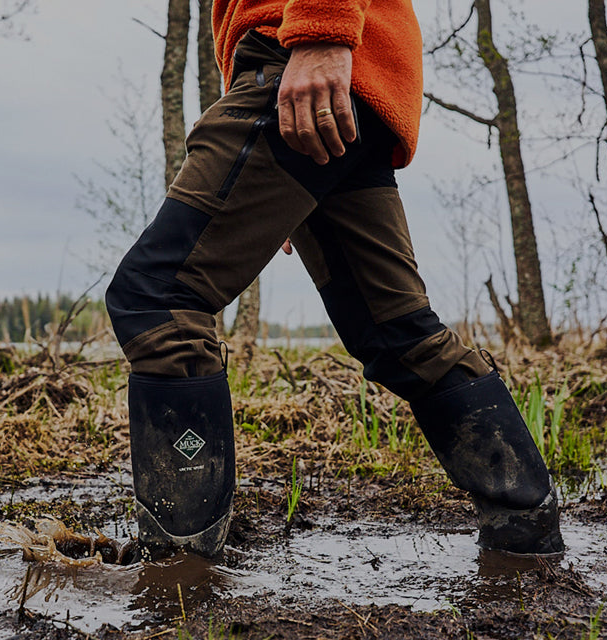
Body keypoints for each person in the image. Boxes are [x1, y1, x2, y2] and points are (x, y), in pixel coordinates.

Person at [105, 0, 564, 559]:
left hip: (304, 53)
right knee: (398, 333)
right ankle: (526, 532)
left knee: (156, 298)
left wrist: (323, 32)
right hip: (336, 73)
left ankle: (178, 569)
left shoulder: (317, 36)